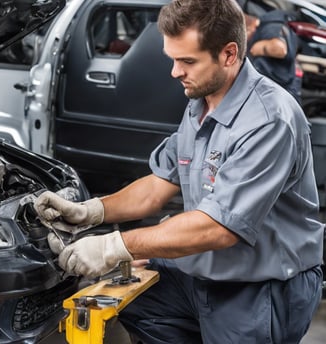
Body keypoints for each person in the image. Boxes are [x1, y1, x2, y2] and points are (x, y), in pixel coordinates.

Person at [33, 0, 323, 342]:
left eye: (187, 61)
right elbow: (158, 185)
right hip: (200, 272)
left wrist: (114, 247)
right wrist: (92, 211)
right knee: (140, 300)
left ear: (229, 55)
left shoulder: (268, 119)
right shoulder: (200, 103)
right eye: (173, 59)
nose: (175, 72)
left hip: (259, 288)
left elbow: (218, 229)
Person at [245, 9, 303, 102]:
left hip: (281, 95)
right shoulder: (265, 26)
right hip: (274, 93)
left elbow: (280, 49)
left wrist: (260, 48)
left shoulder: (270, 26)